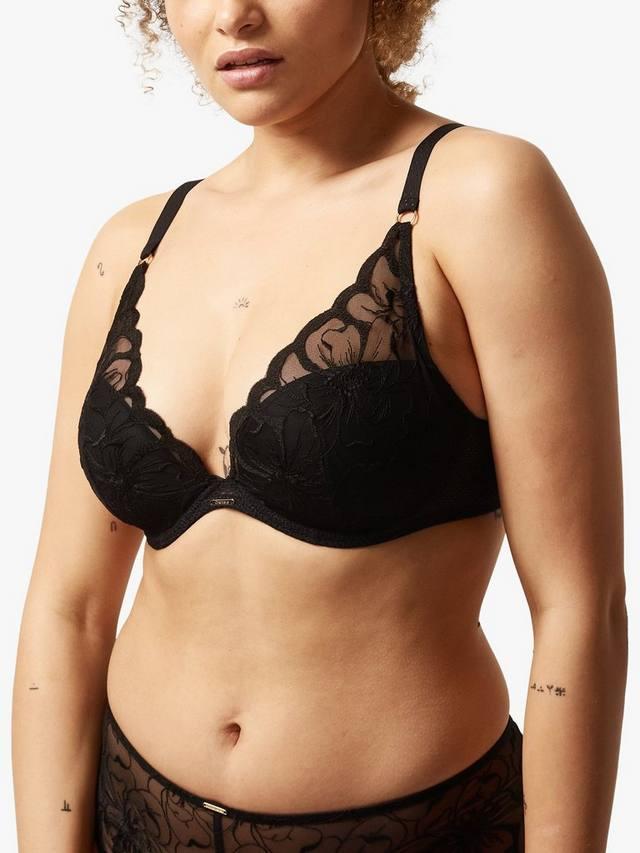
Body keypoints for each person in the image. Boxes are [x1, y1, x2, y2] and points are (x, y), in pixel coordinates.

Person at [12, 2, 627, 851]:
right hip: (134, 816)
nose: (236, 15)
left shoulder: (481, 197)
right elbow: (69, 609)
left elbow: (578, 607)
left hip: (416, 830)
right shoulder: (133, 244)